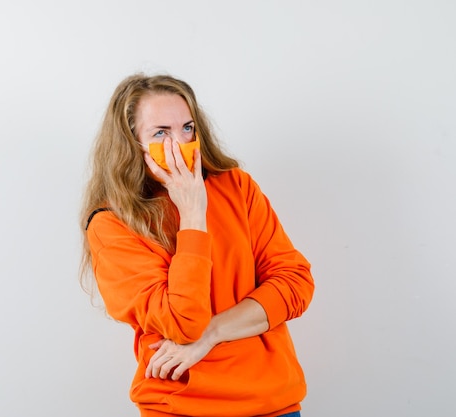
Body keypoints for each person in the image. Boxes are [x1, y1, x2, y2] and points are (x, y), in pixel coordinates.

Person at [79, 73, 315, 417]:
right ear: (132, 143)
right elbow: (183, 323)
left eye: (187, 128)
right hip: (180, 407)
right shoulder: (111, 224)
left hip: (272, 403)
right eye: (161, 133)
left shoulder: (236, 186)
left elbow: (296, 283)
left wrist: (212, 335)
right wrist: (192, 212)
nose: (180, 143)